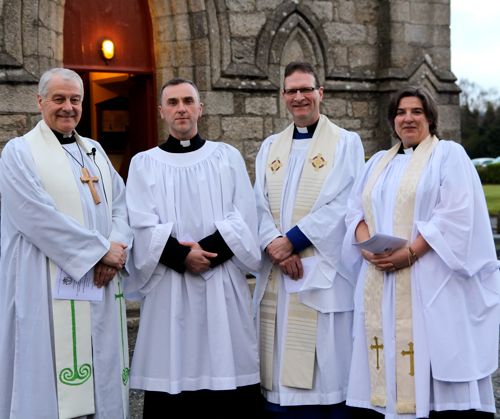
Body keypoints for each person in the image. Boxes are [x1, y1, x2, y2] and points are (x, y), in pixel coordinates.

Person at [343, 86, 500, 419]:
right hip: (381, 280)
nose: (408, 118)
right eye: (400, 112)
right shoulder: (377, 164)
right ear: (392, 120)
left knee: (428, 360)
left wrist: (410, 253)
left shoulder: (448, 155)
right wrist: (367, 246)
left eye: (416, 111)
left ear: (430, 117)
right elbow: (354, 210)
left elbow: (456, 214)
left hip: (428, 280)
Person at [125, 78, 262, 417]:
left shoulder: (226, 157)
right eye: (172, 102)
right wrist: (181, 256)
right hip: (170, 284)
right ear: (161, 112)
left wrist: (205, 254)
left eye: (188, 101)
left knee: (225, 364)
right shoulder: (144, 162)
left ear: (201, 108)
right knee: (174, 370)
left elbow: (244, 216)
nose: (181, 108)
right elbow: (139, 224)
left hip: (222, 285)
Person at [0, 68, 133, 418]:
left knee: (99, 371)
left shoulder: (94, 151)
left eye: (75, 100)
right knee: (52, 386)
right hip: (45, 285)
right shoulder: (20, 152)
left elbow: (121, 206)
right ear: (40, 101)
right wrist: (99, 250)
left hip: (99, 282)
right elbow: (36, 216)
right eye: (58, 99)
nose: (68, 107)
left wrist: (114, 250)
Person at [253, 61, 365, 418]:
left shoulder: (346, 143)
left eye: (306, 90)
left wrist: (295, 240)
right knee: (278, 366)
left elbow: (348, 203)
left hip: (320, 276)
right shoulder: (270, 146)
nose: (299, 97)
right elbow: (255, 204)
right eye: (291, 91)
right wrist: (275, 245)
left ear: (321, 93)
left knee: (323, 373)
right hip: (279, 272)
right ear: (283, 96)